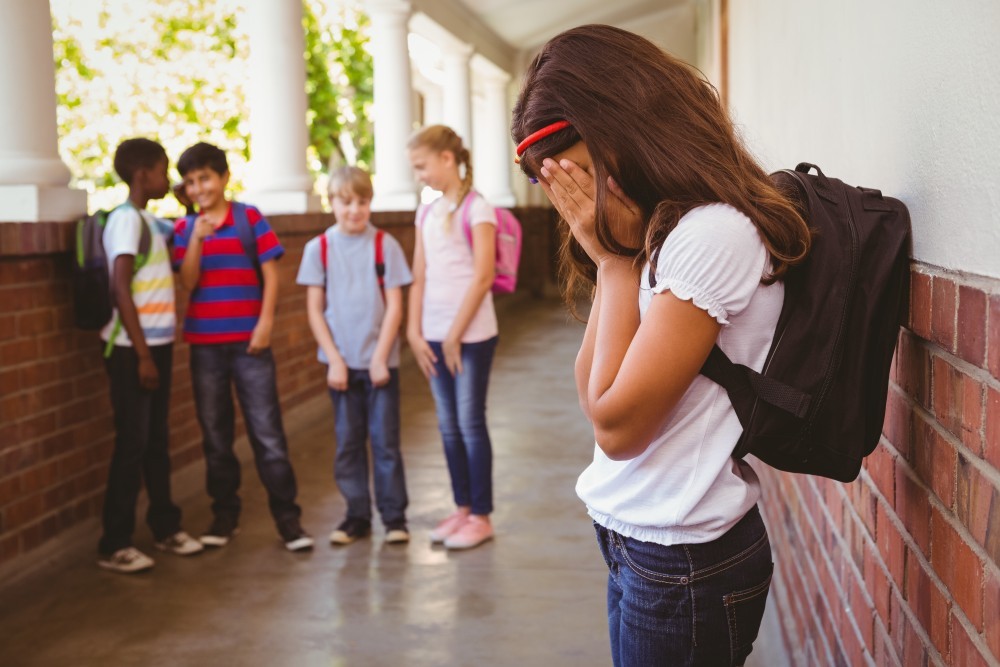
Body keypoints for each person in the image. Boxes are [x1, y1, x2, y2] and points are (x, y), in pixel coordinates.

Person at [511, 25, 812, 666]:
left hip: (685, 563)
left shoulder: (713, 235)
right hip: (640, 543)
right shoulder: (665, 229)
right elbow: (590, 382)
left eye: (587, 172)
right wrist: (616, 257)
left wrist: (614, 267)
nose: (581, 201)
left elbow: (617, 428)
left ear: (633, 124)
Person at [173, 141, 313, 552]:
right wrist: (196, 239)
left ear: (223, 178)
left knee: (267, 434)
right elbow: (188, 282)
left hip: (251, 345)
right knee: (215, 436)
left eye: (205, 178)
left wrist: (265, 323)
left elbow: (272, 275)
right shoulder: (184, 230)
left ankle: (289, 520)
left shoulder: (248, 217)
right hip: (205, 347)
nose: (199, 188)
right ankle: (224, 514)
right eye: (191, 181)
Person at [97, 138, 203, 573]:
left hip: (155, 346)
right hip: (130, 350)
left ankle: (165, 526)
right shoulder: (125, 222)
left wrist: (187, 206)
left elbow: (184, 231)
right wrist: (142, 355)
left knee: (156, 440)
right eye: (163, 172)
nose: (170, 180)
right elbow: (120, 287)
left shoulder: (151, 223)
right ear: (143, 175)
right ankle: (114, 542)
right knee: (133, 443)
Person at [296, 166, 413, 545]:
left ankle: (394, 518)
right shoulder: (319, 249)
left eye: (362, 202)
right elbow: (315, 309)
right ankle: (356, 516)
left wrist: (381, 356)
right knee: (348, 442)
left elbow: (395, 305)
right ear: (332, 202)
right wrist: (334, 359)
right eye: (346, 202)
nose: (354, 210)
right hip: (341, 367)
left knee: (385, 443)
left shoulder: (385, 246)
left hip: (381, 365)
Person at [406, 125, 499, 550]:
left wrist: (454, 336)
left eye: (422, 166)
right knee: (447, 427)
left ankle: (481, 515)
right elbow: (419, 276)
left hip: (472, 337)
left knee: (469, 422)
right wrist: (414, 330)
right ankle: (461, 508)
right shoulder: (426, 213)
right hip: (434, 335)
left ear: (447, 159)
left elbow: (483, 277)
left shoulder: (478, 209)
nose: (419, 175)